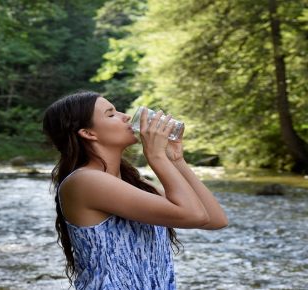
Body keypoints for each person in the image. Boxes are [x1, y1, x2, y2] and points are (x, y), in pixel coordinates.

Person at [42, 90, 228, 289]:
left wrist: (176, 160)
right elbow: (194, 215)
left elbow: (215, 219)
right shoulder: (85, 181)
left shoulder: (134, 183)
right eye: (111, 114)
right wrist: (156, 156)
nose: (126, 117)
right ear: (88, 133)